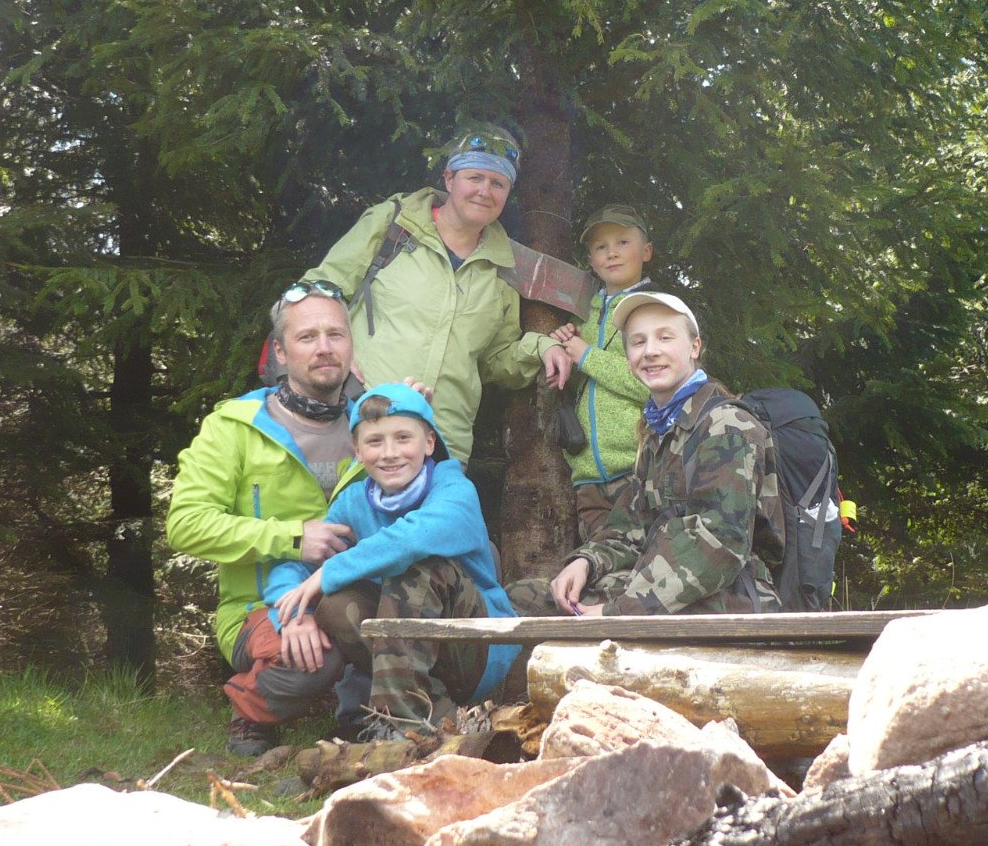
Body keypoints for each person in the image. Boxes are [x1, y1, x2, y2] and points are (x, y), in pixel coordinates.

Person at [164, 281, 369, 757]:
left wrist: (421, 420)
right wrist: (292, 538)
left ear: (350, 345)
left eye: (335, 335)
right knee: (314, 658)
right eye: (307, 337)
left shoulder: (375, 424)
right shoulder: (234, 427)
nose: (324, 348)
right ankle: (251, 708)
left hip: (357, 591)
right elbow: (186, 523)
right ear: (280, 352)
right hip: (256, 607)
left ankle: (369, 713)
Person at [304, 123, 574, 464]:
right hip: (356, 419)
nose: (484, 191)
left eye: (498, 183)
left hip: (442, 444)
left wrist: (542, 347)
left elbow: (495, 360)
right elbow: (319, 291)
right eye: (474, 177)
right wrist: (336, 358)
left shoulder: (501, 269)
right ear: (449, 179)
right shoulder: (394, 225)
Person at [508, 291, 785, 616]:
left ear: (695, 347)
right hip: (654, 584)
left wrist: (618, 612)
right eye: (638, 342)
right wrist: (586, 561)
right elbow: (630, 527)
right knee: (523, 597)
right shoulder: (657, 432)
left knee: (573, 618)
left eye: (665, 338)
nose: (650, 351)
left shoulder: (727, 425)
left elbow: (720, 546)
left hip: (729, 598)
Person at [267, 383, 520, 737]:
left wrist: (332, 570)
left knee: (416, 569)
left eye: (403, 438)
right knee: (336, 603)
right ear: (357, 451)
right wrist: (293, 617)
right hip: (407, 659)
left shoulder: (454, 489)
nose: (390, 453)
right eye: (375, 441)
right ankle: (434, 714)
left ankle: (403, 724)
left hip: (476, 648)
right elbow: (298, 565)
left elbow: (413, 538)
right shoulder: (354, 502)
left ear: (429, 442)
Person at [546, 204, 656, 543]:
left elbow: (652, 384)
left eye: (623, 242)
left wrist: (587, 356)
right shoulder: (586, 316)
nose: (612, 253)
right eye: (600, 247)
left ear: (646, 252)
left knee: (643, 561)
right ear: (591, 261)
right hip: (587, 476)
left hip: (637, 470)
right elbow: (586, 384)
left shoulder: (655, 310)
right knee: (599, 561)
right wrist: (565, 360)